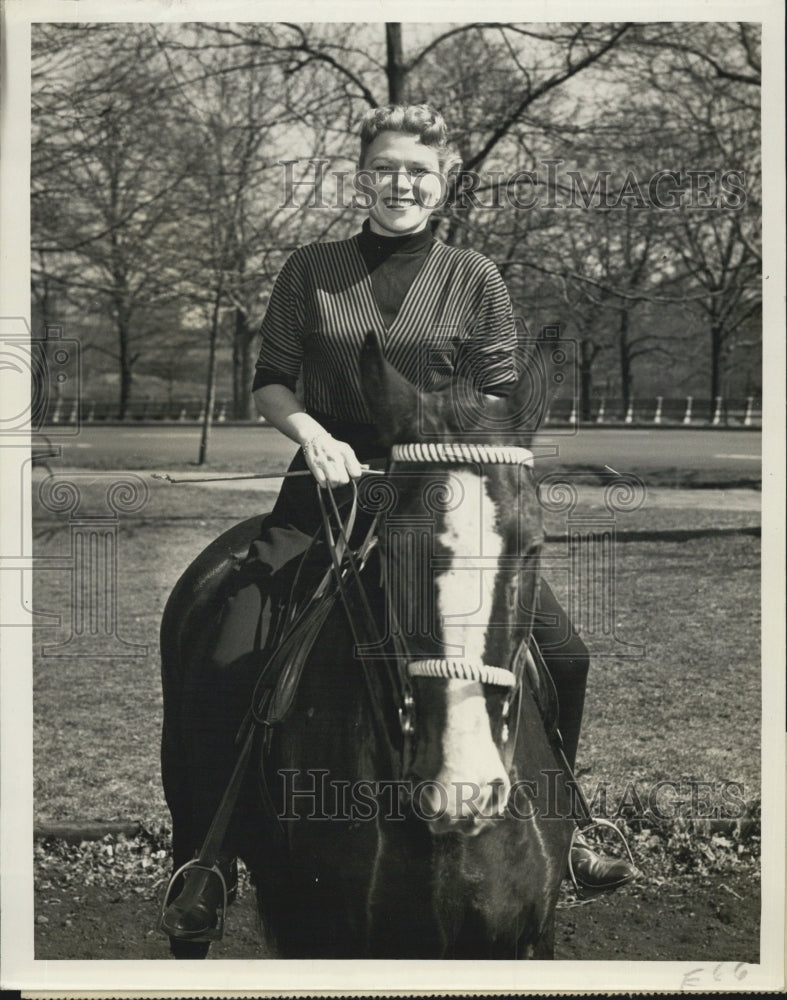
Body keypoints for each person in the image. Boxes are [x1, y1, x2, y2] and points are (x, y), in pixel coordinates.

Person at [162, 103, 639, 942]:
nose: (400, 183)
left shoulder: (474, 277)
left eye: (417, 170)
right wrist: (310, 434)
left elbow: (496, 395)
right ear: (360, 176)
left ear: (441, 182)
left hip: (443, 497)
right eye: (385, 167)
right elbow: (272, 381)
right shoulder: (311, 268)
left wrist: (445, 445)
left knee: (563, 652)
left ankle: (569, 827)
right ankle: (204, 857)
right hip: (328, 493)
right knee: (229, 646)